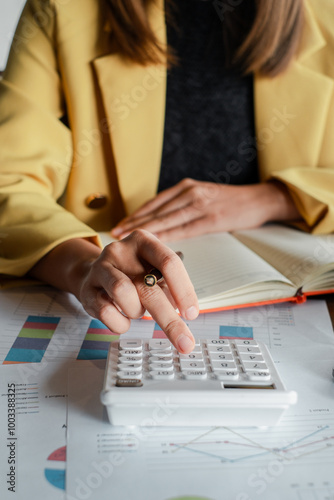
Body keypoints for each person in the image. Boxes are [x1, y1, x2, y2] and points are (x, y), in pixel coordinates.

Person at [0, 0, 333, 353]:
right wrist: (83, 266)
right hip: (118, 318)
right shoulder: (61, 9)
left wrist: (277, 198)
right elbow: (9, 180)